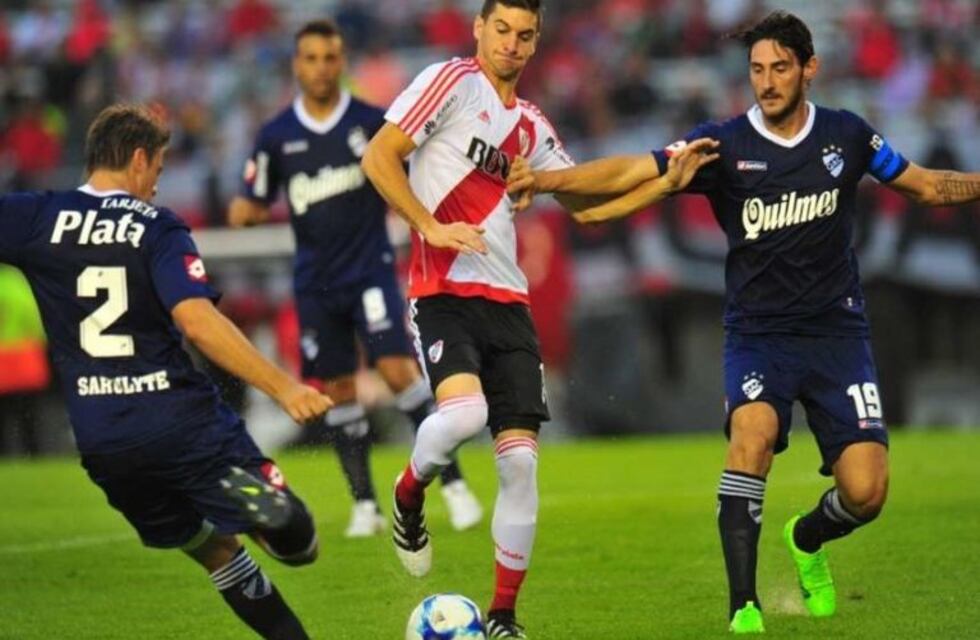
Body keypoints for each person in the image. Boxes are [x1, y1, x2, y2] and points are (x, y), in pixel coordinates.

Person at [514, 10, 980, 634]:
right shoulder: (724, 144)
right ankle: (744, 607)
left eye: (780, 68)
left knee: (867, 492)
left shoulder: (847, 136)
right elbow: (633, 168)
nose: (766, 82)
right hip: (758, 335)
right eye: (758, 69)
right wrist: (546, 180)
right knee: (751, 439)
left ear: (808, 69)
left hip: (838, 334)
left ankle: (808, 539)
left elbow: (923, 186)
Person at [361, 1, 716, 636]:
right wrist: (429, 224)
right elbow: (379, 157)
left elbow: (587, 204)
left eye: (525, 35)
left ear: (536, 42)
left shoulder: (530, 126)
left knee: (520, 464)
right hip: (442, 290)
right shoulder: (449, 83)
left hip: (509, 304)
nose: (512, 44)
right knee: (465, 415)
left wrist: (664, 177)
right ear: (479, 29)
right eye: (501, 29)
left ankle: (502, 616)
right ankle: (409, 491)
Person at [0, 104, 334, 639]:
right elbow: (197, 322)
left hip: (104, 440)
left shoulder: (34, 216)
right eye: (157, 168)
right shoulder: (156, 226)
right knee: (300, 545)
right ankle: (276, 518)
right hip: (180, 421)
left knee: (214, 552)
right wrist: (283, 386)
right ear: (137, 159)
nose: (156, 184)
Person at [228, 19, 483, 538]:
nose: (321, 67)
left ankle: (453, 484)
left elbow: (414, 173)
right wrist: (246, 211)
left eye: (329, 57)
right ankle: (364, 502)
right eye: (311, 58)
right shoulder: (276, 137)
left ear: (341, 63)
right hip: (315, 282)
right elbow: (248, 203)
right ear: (297, 65)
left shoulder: (373, 123)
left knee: (396, 370)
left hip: (368, 271)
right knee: (340, 388)